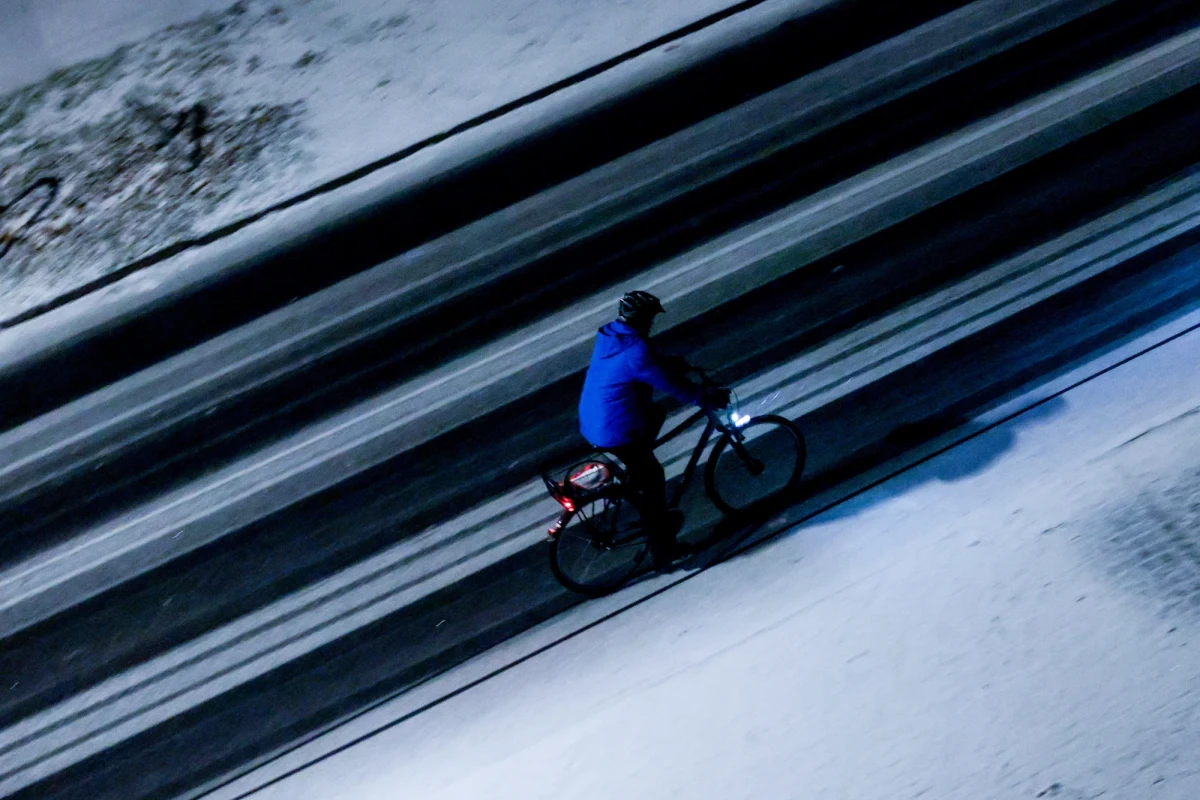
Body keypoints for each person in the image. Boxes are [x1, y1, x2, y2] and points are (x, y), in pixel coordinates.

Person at [577, 290, 727, 570]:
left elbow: (642, 367)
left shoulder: (612, 336)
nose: (652, 323)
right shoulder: (637, 350)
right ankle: (664, 551)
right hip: (614, 430)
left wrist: (670, 364)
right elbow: (669, 383)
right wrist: (706, 398)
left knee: (656, 412)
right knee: (654, 477)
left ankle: (637, 475)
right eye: (650, 318)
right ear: (642, 318)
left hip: (595, 419)